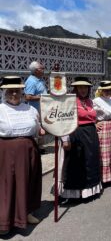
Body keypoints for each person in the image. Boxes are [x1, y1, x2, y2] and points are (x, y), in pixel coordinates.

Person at [0, 76, 44, 235]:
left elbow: (38, 129)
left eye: (16, 90)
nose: (13, 94)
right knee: (6, 185)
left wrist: (42, 131)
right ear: (4, 92)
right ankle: (4, 220)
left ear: (22, 91)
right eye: (10, 91)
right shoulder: (0, 110)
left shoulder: (30, 109)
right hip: (5, 151)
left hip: (29, 150)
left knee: (27, 182)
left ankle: (26, 213)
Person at [57, 77, 102, 200]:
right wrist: (65, 139)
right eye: (80, 87)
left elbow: (93, 116)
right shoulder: (70, 101)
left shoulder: (90, 102)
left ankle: (89, 190)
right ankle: (74, 193)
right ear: (75, 88)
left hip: (91, 135)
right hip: (76, 134)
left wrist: (95, 123)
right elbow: (63, 121)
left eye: (85, 87)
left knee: (90, 162)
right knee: (76, 163)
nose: (83, 90)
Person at [24, 61, 48, 154]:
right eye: (41, 68)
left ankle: (41, 147)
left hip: (42, 109)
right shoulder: (31, 81)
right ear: (35, 71)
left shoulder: (40, 79)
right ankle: (35, 148)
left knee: (42, 128)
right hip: (35, 109)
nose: (43, 70)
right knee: (36, 128)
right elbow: (28, 97)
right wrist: (42, 97)